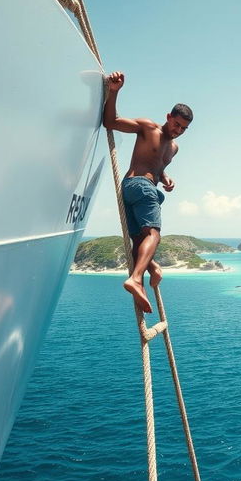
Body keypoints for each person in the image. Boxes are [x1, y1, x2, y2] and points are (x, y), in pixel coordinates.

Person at [103, 71, 193, 313]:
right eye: (176, 124)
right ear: (168, 117)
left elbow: (157, 166)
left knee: (138, 241)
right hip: (139, 186)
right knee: (154, 234)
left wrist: (165, 178)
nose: (178, 130)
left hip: (137, 190)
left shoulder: (173, 149)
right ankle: (136, 278)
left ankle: (147, 272)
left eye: (183, 128)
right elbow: (111, 122)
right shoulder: (149, 128)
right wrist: (114, 92)